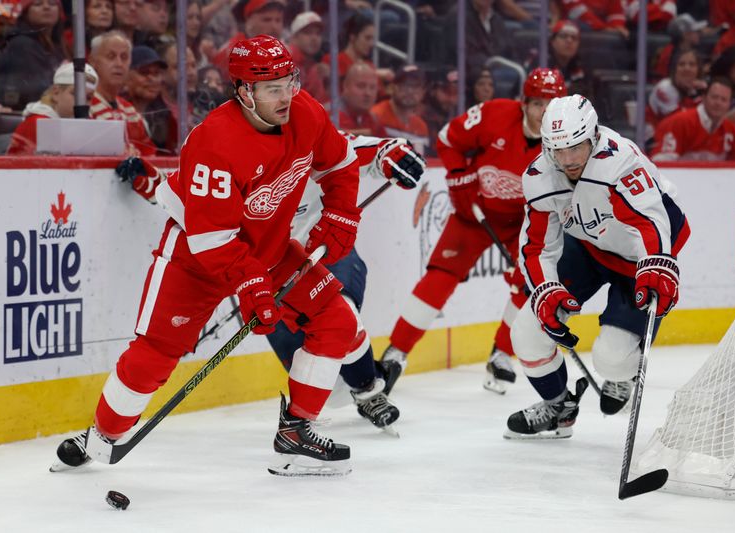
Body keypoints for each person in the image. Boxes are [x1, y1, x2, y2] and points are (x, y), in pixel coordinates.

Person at [51, 35, 365, 477]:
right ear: (243, 92)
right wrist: (252, 283)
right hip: (195, 255)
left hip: (270, 250)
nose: (286, 95)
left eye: (288, 82)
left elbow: (340, 162)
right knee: (155, 354)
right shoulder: (214, 142)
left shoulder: (306, 112)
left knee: (337, 321)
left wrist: (342, 213)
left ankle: (296, 434)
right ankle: (102, 435)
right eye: (271, 87)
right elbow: (213, 240)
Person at [504, 94, 690, 439]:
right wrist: (545, 290)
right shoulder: (540, 176)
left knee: (611, 359)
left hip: (639, 256)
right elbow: (536, 245)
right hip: (588, 246)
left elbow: (651, 221)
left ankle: (623, 375)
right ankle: (559, 407)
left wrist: (656, 265)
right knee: (527, 330)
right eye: (557, 150)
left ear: (594, 136)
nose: (567, 160)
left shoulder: (620, 160)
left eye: (575, 147)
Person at [380, 69, 568, 395]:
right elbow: (446, 139)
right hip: (474, 212)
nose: (544, 113)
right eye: (538, 104)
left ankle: (501, 354)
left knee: (532, 282)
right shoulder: (494, 114)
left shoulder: (566, 142)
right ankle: (396, 353)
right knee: (440, 278)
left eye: (551, 104)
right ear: (524, 103)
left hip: (525, 221)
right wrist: (457, 175)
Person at [266, 134, 425, 431]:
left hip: (326, 249)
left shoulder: (310, 139)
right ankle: (366, 377)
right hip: (272, 271)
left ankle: (369, 392)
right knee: (330, 387)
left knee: (343, 317)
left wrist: (393, 155)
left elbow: (375, 151)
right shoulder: (231, 160)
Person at [88, 30, 158, 156]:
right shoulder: (83, 107)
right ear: (93, 61)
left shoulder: (131, 112)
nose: (119, 64)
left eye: (124, 57)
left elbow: (151, 157)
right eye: (111, 56)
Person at [7, 62, 99, 155]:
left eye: (88, 98)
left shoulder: (86, 123)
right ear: (56, 93)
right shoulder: (38, 124)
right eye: (75, 94)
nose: (82, 102)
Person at [0, 0, 68, 111]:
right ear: (25, 12)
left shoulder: (57, 45)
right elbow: (35, 91)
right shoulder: (22, 44)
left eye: (52, 3)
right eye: (38, 3)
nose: (46, 7)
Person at [651, 78, 735, 162]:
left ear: (730, 104)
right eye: (714, 97)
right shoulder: (680, 122)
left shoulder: (732, 132)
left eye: (724, 99)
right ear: (704, 98)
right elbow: (661, 164)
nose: (718, 103)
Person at [646, 48, 705, 140]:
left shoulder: (699, 89)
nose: (687, 68)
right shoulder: (664, 88)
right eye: (682, 64)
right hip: (655, 140)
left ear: (698, 70)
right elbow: (679, 122)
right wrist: (696, 96)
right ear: (674, 69)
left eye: (692, 64)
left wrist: (704, 92)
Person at [371, 65, 430, 155]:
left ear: (423, 91)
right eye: (405, 85)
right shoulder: (376, 116)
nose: (410, 91)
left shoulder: (421, 127)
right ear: (393, 87)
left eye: (416, 86)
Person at [338, 61, 387, 137]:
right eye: (361, 86)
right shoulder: (328, 115)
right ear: (345, 86)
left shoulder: (374, 120)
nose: (368, 93)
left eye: (372, 87)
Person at [288, 11, 329, 103]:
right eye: (308, 33)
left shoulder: (315, 66)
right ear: (294, 37)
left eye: (318, 34)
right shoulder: (286, 61)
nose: (314, 38)